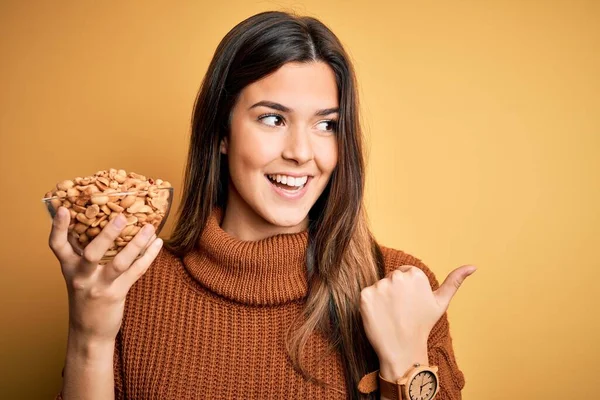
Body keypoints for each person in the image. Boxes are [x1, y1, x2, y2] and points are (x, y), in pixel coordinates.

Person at [50, 10, 475, 400]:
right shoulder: (132, 284)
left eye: (327, 124)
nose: (301, 152)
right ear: (221, 132)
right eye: (273, 119)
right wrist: (90, 337)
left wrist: (406, 363)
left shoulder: (400, 290)